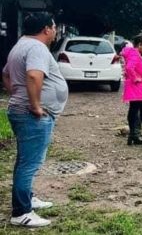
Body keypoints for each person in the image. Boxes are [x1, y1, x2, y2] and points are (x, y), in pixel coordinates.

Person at [2, 12, 67, 227]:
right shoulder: (37, 48)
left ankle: (27, 198)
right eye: (54, 27)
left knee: (25, 160)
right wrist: (35, 105)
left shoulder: (21, 44)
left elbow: (6, 74)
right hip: (31, 114)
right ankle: (21, 212)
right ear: (46, 29)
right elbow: (33, 75)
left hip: (22, 111)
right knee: (29, 163)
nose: (55, 31)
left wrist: (17, 94)